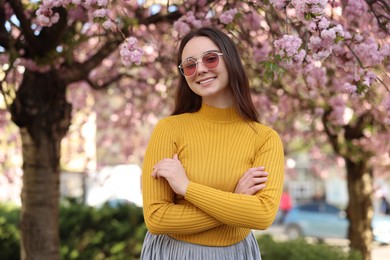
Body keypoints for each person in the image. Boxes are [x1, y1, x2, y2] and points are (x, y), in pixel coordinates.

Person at [141, 26, 285, 260]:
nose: (200, 70)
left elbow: (262, 215)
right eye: (189, 65)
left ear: (230, 61)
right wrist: (236, 202)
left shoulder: (265, 138)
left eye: (210, 59)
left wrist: (187, 188)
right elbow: (156, 217)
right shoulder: (169, 129)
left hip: (237, 254)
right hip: (174, 253)